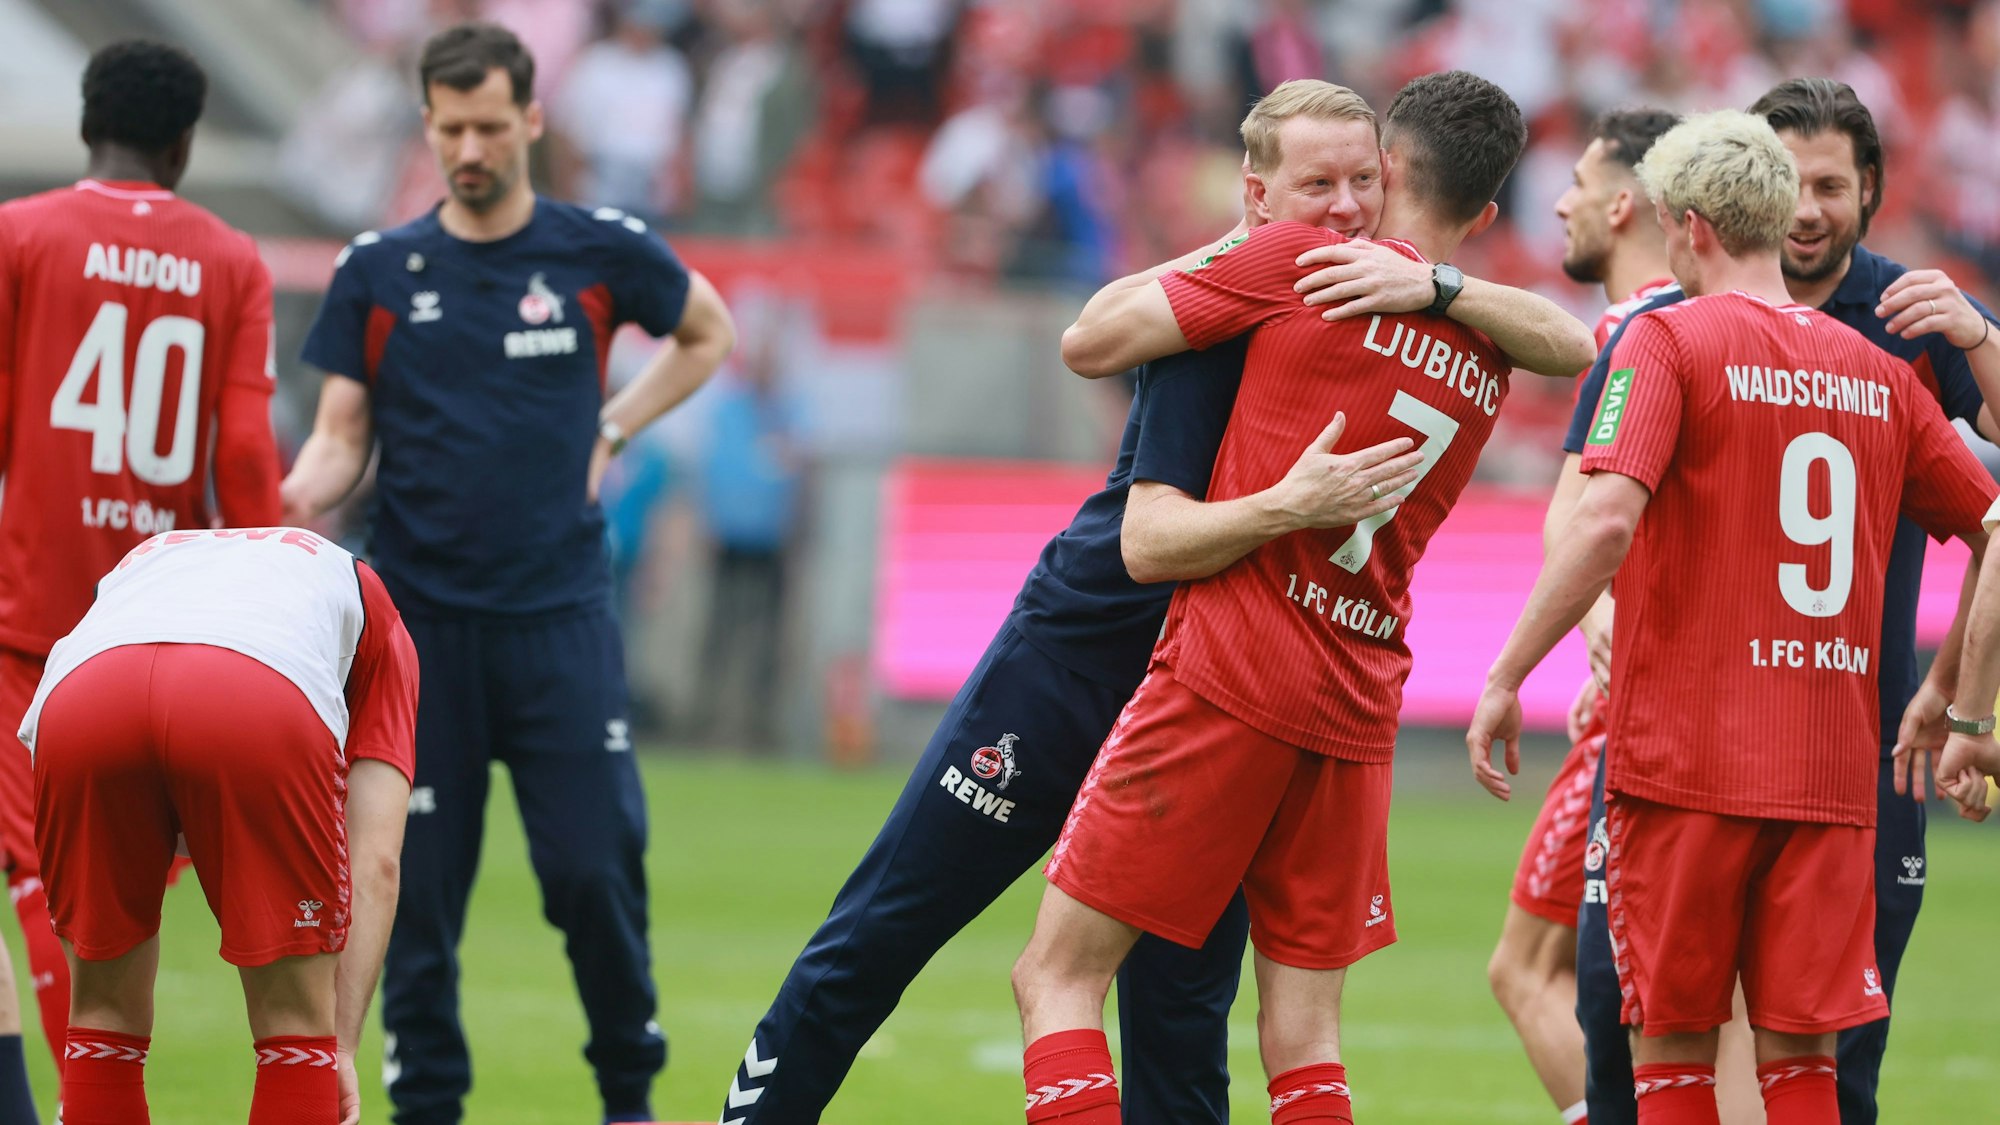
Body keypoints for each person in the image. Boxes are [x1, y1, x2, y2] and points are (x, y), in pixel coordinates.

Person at [721, 77, 1593, 1125]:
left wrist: (1434, 285)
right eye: (1319, 185)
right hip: (1084, 655)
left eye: (1363, 182)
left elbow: (1568, 342)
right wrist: (1251, 274)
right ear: (1258, 193)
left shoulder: (1365, 293)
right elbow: (1104, 401)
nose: (1346, 208)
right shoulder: (1241, 290)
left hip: (1219, 683)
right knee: (882, 932)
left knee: (1178, 1027)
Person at [1012, 72, 1580, 1125]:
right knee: (1306, 1039)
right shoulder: (1494, 349)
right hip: (1357, 704)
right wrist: (1446, 288)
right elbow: (1575, 343)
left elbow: (1088, 342)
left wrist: (1251, 227)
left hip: (1229, 671)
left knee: (1055, 978)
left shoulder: (1295, 261)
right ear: (1487, 212)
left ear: (1386, 172)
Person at [1469, 108, 1997, 1125]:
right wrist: (1958, 700)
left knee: (1668, 1054)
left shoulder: (1661, 339)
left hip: (1686, 768)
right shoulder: (1880, 374)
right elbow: (1992, 521)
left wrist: (1504, 675)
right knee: (1801, 1064)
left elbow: (1602, 523)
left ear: (1695, 225)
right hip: (1831, 774)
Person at [280, 23, 736, 1125]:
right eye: (450, 129)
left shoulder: (597, 251)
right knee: (414, 898)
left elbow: (704, 331)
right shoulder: (378, 271)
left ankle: (628, 1096)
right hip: (416, 633)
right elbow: (343, 435)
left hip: (559, 622)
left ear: (531, 118)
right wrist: (287, 503)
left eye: (490, 125)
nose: (470, 147)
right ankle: (425, 1106)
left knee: (592, 871)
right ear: (427, 127)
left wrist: (614, 429)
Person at [0, 39, 285, 1117]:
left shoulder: (19, 235)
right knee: (120, 897)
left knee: (50, 892)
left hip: (33, 630)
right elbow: (247, 458)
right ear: (183, 145)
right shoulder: (233, 260)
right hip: (159, 629)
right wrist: (259, 594)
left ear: (86, 126)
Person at [21, 526, 418, 1125]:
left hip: (82, 696)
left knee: (102, 1019)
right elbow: (377, 862)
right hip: (253, 692)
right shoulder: (378, 614)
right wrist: (336, 1046)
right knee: (294, 1030)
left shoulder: (155, 555)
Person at [1494, 106, 1681, 1125]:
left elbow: (1583, 521)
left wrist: (1588, 617)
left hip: (1637, 720)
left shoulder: (1631, 332)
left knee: (1526, 969)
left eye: (1573, 181)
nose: (1556, 200)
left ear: (1621, 203)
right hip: (1725, 710)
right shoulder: (1710, 324)